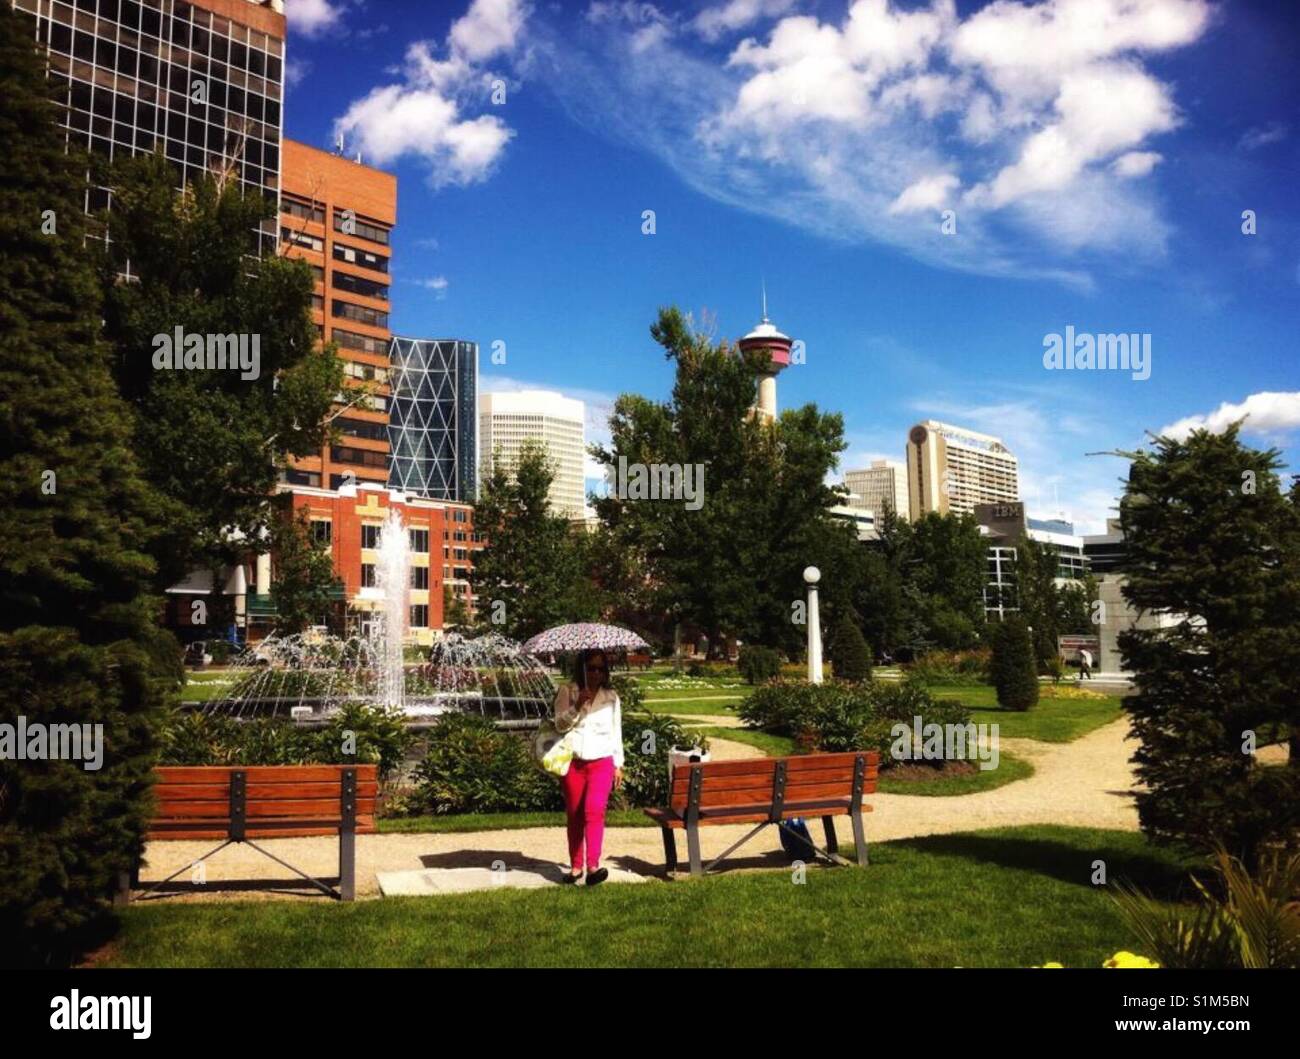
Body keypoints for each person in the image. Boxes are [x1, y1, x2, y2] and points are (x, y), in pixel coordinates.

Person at [554, 649, 624, 886]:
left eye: (600, 669)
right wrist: (577, 706)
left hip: (602, 761)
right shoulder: (567, 691)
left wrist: (619, 764)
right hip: (574, 761)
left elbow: (616, 732)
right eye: (591, 668)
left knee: (594, 811)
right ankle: (576, 868)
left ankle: (593, 866)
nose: (595, 673)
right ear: (582, 668)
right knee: (575, 815)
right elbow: (559, 725)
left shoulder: (611, 697)